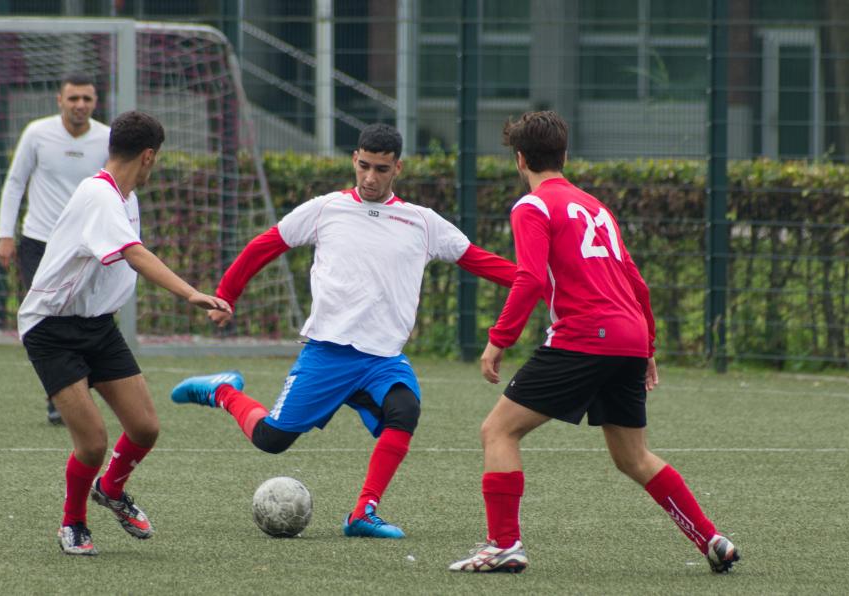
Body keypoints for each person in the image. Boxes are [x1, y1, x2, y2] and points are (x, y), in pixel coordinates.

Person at [170, 123, 516, 539]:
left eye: (381, 169)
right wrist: (228, 294)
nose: (370, 178)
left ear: (397, 169)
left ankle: (362, 513)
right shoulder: (325, 209)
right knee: (271, 439)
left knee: (404, 412)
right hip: (328, 353)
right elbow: (266, 245)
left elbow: (481, 261)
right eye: (364, 166)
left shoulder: (423, 223)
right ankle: (223, 391)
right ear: (354, 159)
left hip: (382, 359)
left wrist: (542, 283)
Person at [447, 111, 739, 574]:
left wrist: (498, 340)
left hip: (584, 337)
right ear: (565, 155)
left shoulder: (532, 206)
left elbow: (528, 279)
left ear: (519, 159)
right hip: (627, 337)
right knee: (632, 456)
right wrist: (648, 346)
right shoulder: (595, 206)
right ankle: (711, 538)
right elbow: (635, 281)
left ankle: (504, 544)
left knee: (498, 431)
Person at [18, 111, 231, 556]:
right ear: (149, 156)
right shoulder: (99, 194)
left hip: (97, 326)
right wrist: (191, 293)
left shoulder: (125, 196)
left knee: (145, 428)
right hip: (51, 329)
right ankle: (72, 524)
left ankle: (111, 490)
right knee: (93, 443)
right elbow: (134, 254)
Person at [0, 73, 110, 425]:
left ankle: (76, 393)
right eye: (73, 98)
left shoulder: (107, 138)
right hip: (39, 241)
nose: (80, 105)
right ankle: (57, 397)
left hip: (88, 245)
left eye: (86, 99)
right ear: (59, 100)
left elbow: (119, 190)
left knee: (85, 317)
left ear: (95, 103)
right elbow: (15, 183)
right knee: (46, 319)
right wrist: (5, 235)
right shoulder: (37, 133)